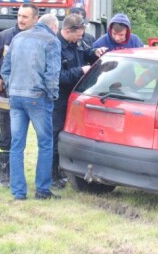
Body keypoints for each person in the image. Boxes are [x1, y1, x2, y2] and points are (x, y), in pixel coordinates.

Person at [1, 14, 61, 201]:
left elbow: (5, 69)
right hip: (38, 97)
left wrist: (11, 87)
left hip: (16, 96)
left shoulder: (18, 37)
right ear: (53, 26)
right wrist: (52, 95)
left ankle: (18, 192)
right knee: (45, 143)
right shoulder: (51, 41)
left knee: (17, 144)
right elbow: (52, 73)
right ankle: (42, 189)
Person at [0, 3, 39, 187]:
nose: (21, 20)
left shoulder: (40, 38)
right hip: (6, 97)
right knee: (6, 135)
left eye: (25, 17)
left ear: (35, 19)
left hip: (33, 96)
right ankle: (4, 174)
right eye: (19, 16)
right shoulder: (5, 37)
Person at [52, 14, 106, 189]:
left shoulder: (79, 42)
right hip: (59, 98)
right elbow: (57, 77)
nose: (82, 37)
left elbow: (84, 53)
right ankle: (53, 174)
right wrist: (80, 71)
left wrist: (94, 54)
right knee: (56, 135)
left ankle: (68, 171)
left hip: (78, 98)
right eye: (79, 33)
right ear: (68, 31)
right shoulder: (55, 46)